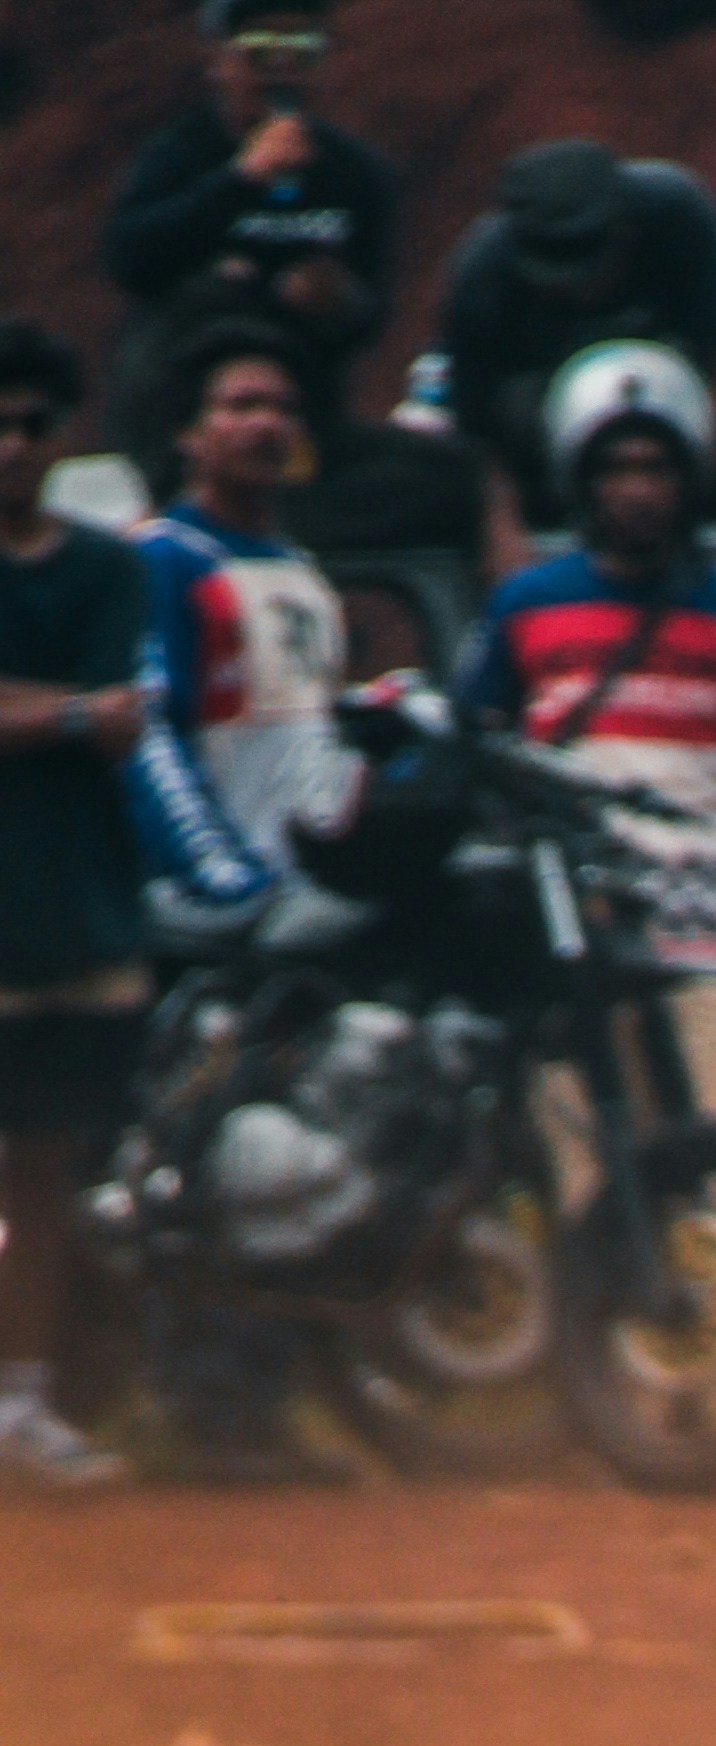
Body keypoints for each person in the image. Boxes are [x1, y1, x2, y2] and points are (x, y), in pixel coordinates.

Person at [457, 347, 716, 1116]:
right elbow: (475, 745)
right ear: (583, 481)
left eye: (658, 469)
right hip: (576, 929)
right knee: (592, 1159)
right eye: (617, 470)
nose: (640, 491)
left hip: (706, 935)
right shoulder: (525, 603)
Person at [0, 325, 152, 1490]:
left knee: (43, 1167)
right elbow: (89, 717)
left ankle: (22, 1400)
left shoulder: (107, 569)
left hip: (69, 903)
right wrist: (63, 718)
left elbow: (123, 715)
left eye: (30, 422)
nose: (9, 444)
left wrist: (37, 713)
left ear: (62, 436)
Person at [103, 2, 398, 477]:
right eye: (261, 51)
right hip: (179, 400)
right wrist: (239, 182)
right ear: (221, 61)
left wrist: (338, 299)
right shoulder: (178, 155)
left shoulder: (353, 172)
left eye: (302, 52)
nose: (281, 69)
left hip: (305, 400)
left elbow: (375, 307)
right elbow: (129, 258)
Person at [125, 333, 351, 922]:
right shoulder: (162, 558)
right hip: (223, 898)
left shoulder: (302, 570)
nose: (268, 425)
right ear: (188, 432)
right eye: (242, 406)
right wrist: (221, 875)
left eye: (284, 410)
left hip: (310, 891)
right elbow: (147, 733)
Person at [437, 141, 716, 526]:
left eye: (591, 269)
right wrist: (501, 522)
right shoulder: (481, 272)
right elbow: (475, 427)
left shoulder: (679, 209)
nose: (581, 290)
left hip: (683, 389)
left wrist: (705, 470)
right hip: (542, 424)